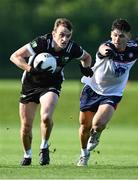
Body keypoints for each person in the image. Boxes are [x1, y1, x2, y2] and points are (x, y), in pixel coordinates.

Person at [10, 18, 93, 166]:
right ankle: (27, 155)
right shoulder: (42, 42)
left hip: (52, 84)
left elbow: (87, 57)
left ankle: (44, 146)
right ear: (54, 33)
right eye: (61, 34)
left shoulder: (72, 48)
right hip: (30, 84)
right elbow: (15, 56)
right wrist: (31, 70)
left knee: (46, 116)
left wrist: (85, 68)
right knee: (26, 126)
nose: (65, 38)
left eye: (68, 35)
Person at [77, 18, 138, 166]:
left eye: (121, 36)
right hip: (92, 89)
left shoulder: (135, 47)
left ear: (129, 37)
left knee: (97, 124)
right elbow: (103, 49)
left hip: (113, 93)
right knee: (84, 126)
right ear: (111, 35)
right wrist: (109, 53)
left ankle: (97, 134)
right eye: (114, 35)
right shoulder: (107, 47)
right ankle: (83, 154)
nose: (116, 39)